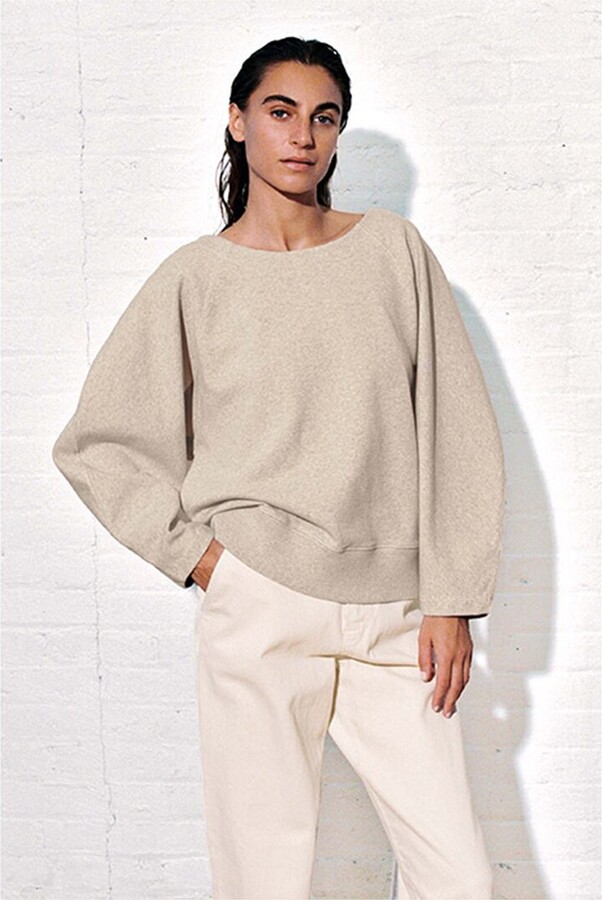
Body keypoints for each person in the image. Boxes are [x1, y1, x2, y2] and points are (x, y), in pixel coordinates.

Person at [52, 35, 505, 900]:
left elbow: (457, 430)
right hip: (258, 605)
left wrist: (452, 597)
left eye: (324, 117)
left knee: (460, 876)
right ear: (238, 121)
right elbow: (96, 445)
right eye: (280, 111)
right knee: (263, 879)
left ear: (338, 134)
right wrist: (204, 561)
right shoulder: (195, 279)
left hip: (395, 616)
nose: (303, 135)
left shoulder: (393, 251)